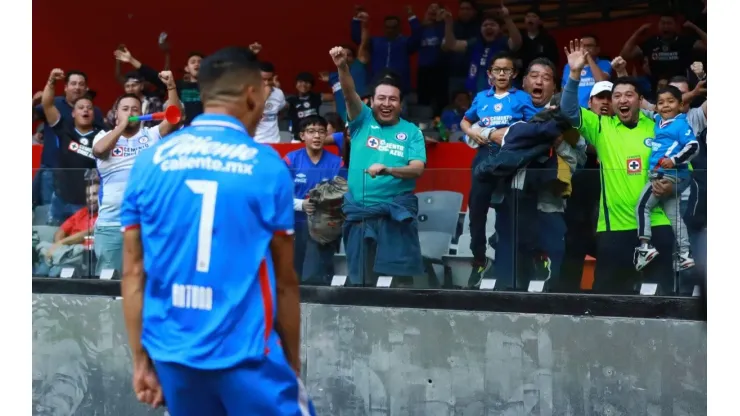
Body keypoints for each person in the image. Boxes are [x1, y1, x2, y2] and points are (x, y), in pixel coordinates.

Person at [119, 46, 315, 415]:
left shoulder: (148, 163)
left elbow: (132, 273)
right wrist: (291, 364)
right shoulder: (266, 166)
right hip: (248, 356)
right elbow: (285, 282)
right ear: (252, 94)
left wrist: (141, 361)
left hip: (173, 357)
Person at [560, 39, 676, 295]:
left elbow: (682, 165)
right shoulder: (601, 128)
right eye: (617, 96)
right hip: (615, 228)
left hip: (657, 224)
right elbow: (567, 111)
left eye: (628, 95)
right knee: (609, 298)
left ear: (640, 100)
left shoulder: (657, 128)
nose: (622, 100)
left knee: (662, 296)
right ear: (612, 103)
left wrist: (673, 181)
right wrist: (576, 73)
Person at [329, 45, 426, 287]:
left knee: (398, 283)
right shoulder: (361, 121)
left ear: (400, 104)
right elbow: (349, 94)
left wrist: (389, 169)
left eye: (392, 99)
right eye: (381, 98)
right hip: (360, 214)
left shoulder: (411, 132)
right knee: (361, 281)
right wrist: (342, 67)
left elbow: (417, 168)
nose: (386, 103)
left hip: (395, 217)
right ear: (370, 101)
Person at [459, 51, 538, 287]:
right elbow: (465, 120)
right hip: (485, 154)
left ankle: (519, 261)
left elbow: (536, 124)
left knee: (510, 211)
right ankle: (479, 257)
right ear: (489, 74)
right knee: (476, 210)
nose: (501, 74)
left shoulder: (521, 98)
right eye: (497, 70)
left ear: (513, 74)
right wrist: (473, 132)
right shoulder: (481, 97)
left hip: (510, 157)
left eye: (506, 70)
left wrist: (513, 133)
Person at [91, 71, 181, 277]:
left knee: (144, 282)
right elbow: (98, 151)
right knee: (107, 284)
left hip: (145, 224)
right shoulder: (102, 136)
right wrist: (120, 127)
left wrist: (171, 87)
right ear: (115, 112)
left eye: (135, 109)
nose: (130, 112)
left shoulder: (151, 135)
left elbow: (172, 119)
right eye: (125, 109)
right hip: (110, 226)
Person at [634, 86, 698, 271]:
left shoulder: (681, 124)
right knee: (675, 217)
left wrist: (674, 160)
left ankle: (645, 247)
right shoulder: (658, 120)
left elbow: (693, 146)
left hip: (665, 174)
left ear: (681, 105)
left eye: (671, 101)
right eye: (661, 102)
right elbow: (647, 109)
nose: (665, 106)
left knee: (642, 206)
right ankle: (685, 254)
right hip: (663, 173)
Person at [284, 116, 345, 284]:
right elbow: (279, 194)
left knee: (320, 275)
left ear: (326, 135)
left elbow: (342, 193)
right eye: (311, 132)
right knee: (295, 273)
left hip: (325, 226)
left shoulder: (336, 162)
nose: (317, 136)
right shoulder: (291, 160)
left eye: (321, 132)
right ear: (302, 136)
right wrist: (301, 205)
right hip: (296, 225)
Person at [40, 68, 104, 225]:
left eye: (89, 108)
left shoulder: (102, 135)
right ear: (73, 113)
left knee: (79, 239)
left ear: (94, 113)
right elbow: (47, 104)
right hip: (60, 198)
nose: (85, 110)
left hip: (84, 200)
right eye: (81, 108)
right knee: (53, 234)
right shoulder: (64, 129)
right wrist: (51, 81)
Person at [442, 7, 523, 94]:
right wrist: (448, 24)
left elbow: (517, 42)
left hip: (500, 93)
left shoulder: (504, 42)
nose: (488, 27)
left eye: (492, 25)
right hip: (476, 93)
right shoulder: (475, 43)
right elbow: (451, 45)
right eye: (485, 25)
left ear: (499, 29)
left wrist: (507, 18)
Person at [351, 6, 422, 95]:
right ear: (384, 28)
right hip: (376, 83)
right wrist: (357, 20)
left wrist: (412, 17)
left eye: (393, 27)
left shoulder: (405, 42)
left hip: (400, 85)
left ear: (399, 28)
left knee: (400, 108)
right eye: (388, 27)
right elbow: (358, 39)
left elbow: (418, 37)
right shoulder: (376, 42)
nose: (390, 30)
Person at [560, 35, 612, 107]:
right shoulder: (568, 66)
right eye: (583, 46)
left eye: (589, 46)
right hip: (574, 111)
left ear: (597, 49)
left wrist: (588, 56)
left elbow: (601, 82)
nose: (585, 49)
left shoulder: (605, 63)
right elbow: (564, 91)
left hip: (594, 111)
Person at [254, 62, 287, 143]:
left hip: (274, 141)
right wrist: (264, 97)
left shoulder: (278, 93)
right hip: (255, 141)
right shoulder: (248, 93)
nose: (266, 83)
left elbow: (282, 109)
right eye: (263, 79)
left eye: (269, 79)